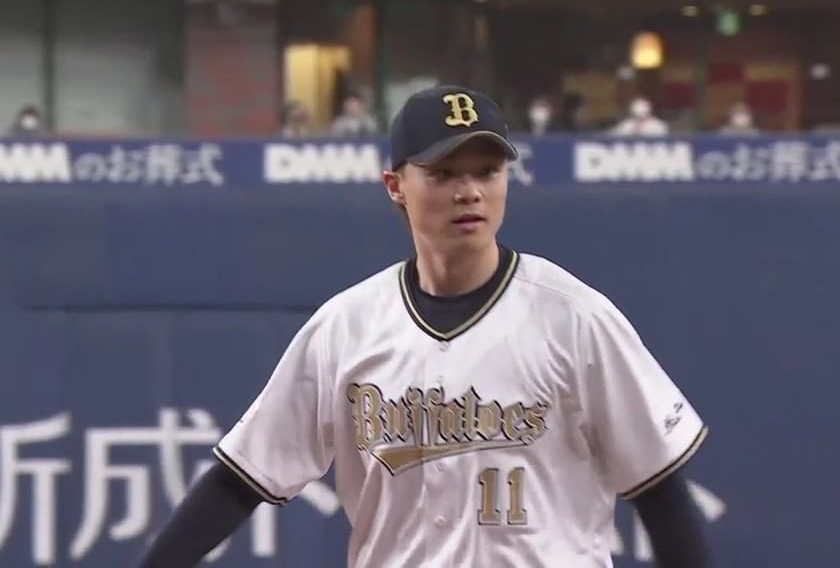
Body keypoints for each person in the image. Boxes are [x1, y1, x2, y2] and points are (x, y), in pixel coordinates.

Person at [138, 85, 714, 568]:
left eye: (487, 170)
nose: (470, 191)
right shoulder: (346, 327)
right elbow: (240, 478)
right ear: (396, 186)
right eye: (443, 173)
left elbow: (659, 490)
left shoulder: (575, 317)